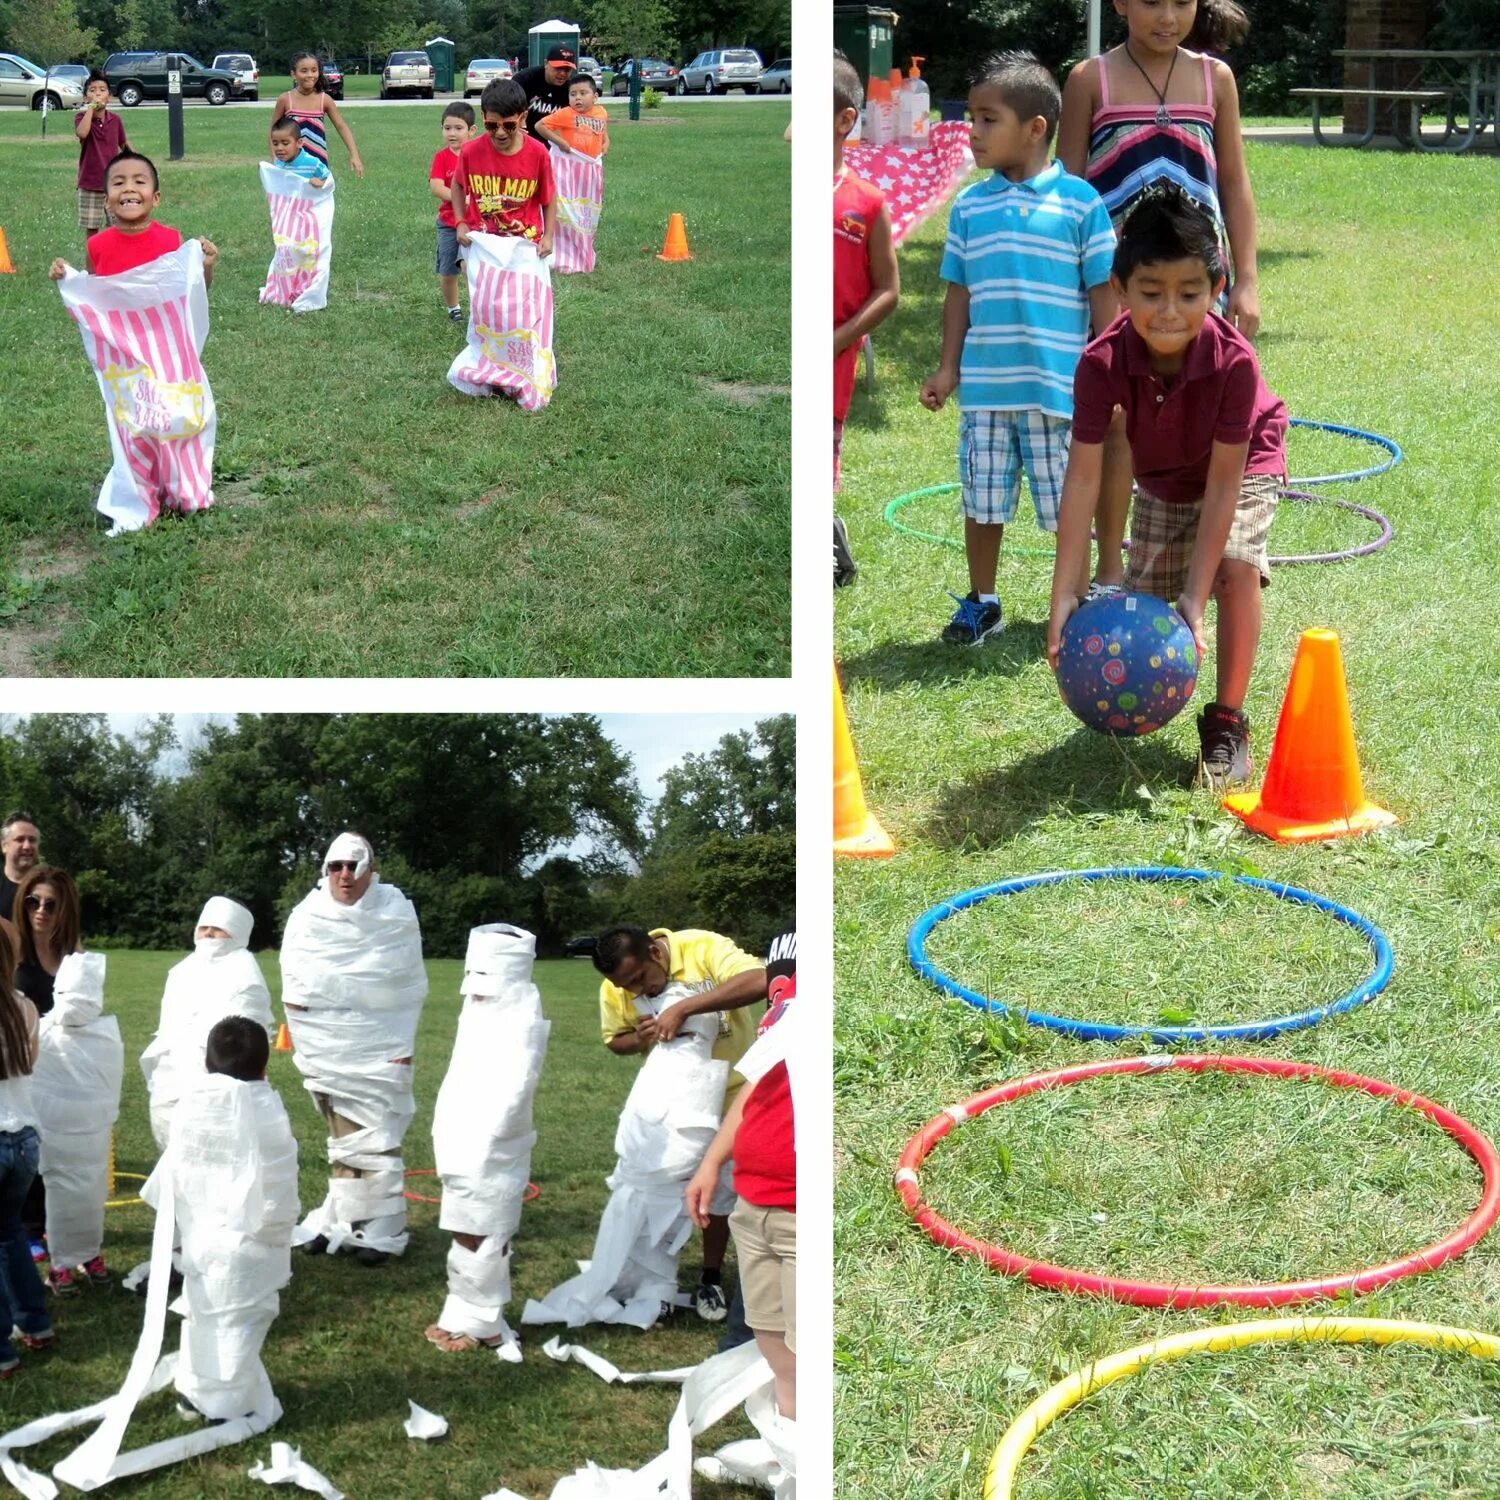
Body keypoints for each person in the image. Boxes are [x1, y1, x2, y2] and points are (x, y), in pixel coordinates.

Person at [1046, 186, 1287, 789]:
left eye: (1190, 294)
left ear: (1217, 288)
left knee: (1235, 566)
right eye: (1151, 293)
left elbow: (1226, 483)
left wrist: (1196, 602)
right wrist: (1063, 595)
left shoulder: (1234, 364)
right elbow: (1081, 479)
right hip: (1163, 479)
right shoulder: (1100, 364)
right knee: (1144, 611)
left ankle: (1227, 722)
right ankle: (1134, 707)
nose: (1170, 311)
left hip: (1243, 463)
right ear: (1120, 290)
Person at [1056, 0, 1257, 593]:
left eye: (1180, 2)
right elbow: (1066, 190)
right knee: (1116, 421)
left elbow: (1235, 184)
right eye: (1150, 2)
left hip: (1194, 286)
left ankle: (1199, 552)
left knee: (1193, 412)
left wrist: (1245, 277)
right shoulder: (1089, 80)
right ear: (1119, 3)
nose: (1167, 16)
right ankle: (1110, 568)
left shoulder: (1213, 78)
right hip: (1116, 286)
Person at [919, 52, 1117, 645]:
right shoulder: (970, 207)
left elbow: (1103, 299)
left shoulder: (1081, 203)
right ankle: (982, 601)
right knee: (982, 503)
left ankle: (1075, 603)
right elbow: (958, 294)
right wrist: (948, 367)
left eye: (987, 119)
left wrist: (1109, 377)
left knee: (1066, 511)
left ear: (1035, 129)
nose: (971, 132)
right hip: (985, 391)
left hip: (1058, 392)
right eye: (972, 119)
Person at [594, 924, 766, 1320]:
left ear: (655, 952)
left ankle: (711, 1276)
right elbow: (613, 1040)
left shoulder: (702, 947)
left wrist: (684, 1007)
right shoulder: (617, 986)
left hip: (736, 1090)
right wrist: (641, 1038)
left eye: (640, 980)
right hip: (673, 1102)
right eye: (628, 988)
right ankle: (650, 1278)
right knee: (656, 1184)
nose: (639, 993)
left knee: (722, 1193)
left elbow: (760, 979)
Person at [280, 833, 427, 1267]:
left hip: (380, 1048)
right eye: (335, 865)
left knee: (375, 1136)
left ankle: (383, 1226)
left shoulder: (395, 914)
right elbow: (295, 987)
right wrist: (310, 1044)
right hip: (325, 1049)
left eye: (353, 865)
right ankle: (349, 1216)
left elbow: (405, 987)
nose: (344, 874)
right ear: (325, 869)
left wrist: (401, 1044)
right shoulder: (307, 917)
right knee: (343, 1138)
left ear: (371, 870)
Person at [144, 1015, 298, 1423]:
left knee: (204, 1315)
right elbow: (280, 1187)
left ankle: (196, 1393)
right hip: (252, 1245)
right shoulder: (269, 1110)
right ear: (264, 1067)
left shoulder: (193, 1107)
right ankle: (224, 1404)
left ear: (208, 1064)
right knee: (238, 1325)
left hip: (202, 1241)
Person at [687, 928, 798, 1482]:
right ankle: (787, 1460)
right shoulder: (785, 1002)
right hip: (755, 1200)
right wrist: (712, 1162)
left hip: (799, 1210)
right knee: (775, 1347)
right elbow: (756, 1085)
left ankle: (804, 1470)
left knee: (805, 1352)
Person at [426, 924, 549, 1355]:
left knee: (486, 1225)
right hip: (460, 1127)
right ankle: (463, 1306)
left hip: (493, 1139)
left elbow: (518, 1084)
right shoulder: (477, 1008)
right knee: (463, 1222)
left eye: (486, 978)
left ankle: (486, 1323)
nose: (475, 989)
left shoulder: (520, 1011)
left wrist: (488, 1140)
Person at [24, 873, 121, 1294]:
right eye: (34, 902)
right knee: (48, 1176)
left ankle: (85, 1251)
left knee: (87, 1178)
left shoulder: (75, 956)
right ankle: (53, 1251)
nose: (42, 911)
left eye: (50, 904)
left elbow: (86, 1013)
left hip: (80, 1102)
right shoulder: (14, 954)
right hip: (31, 1084)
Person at [832, 51, 898, 589]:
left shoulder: (867, 202)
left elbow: (889, 291)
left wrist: (840, 338)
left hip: (832, 364)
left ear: (843, 120)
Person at [140, 897, 275, 1152]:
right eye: (204, 927)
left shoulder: (246, 978)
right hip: (170, 1080)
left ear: (236, 932)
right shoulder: (182, 970)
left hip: (217, 1085)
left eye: (218, 928)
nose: (209, 933)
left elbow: (246, 1050)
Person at [0, 921, 55, 1378]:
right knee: (11, 1233)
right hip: (25, 1141)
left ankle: (2, 1348)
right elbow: (29, 1062)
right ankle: (35, 1323)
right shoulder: (25, 1006)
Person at [47, 151, 218, 285]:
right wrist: (65, 275)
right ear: (106, 201)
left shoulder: (172, 241)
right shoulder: (96, 246)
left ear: (155, 198)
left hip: (161, 329)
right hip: (116, 329)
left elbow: (192, 291)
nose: (129, 188)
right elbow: (91, 295)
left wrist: (207, 265)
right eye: (119, 183)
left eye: (139, 182)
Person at [452, 78, 557, 257]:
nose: (500, 132)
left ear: (523, 118)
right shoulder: (470, 151)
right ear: (483, 116)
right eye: (492, 125)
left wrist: (548, 236)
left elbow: (549, 197)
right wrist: (460, 221)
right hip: (483, 243)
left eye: (509, 125)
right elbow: (458, 184)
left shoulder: (538, 153)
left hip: (525, 244)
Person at [270, 53, 364, 178]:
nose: (310, 75)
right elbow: (273, 131)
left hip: (318, 163)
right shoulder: (285, 99)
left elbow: (342, 127)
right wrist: (275, 160)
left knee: (319, 195)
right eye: (304, 71)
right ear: (293, 74)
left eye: (314, 70)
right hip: (290, 165)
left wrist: (354, 155)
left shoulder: (325, 100)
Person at [430, 100, 476, 322]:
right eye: (447, 128)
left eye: (459, 128)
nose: (452, 133)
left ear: (472, 130)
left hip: (475, 224)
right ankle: (453, 308)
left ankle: (479, 305)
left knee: (471, 268)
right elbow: (437, 187)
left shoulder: (478, 155)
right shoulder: (441, 157)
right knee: (448, 270)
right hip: (448, 223)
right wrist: (461, 198)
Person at [73, 71, 129, 250]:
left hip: (113, 185)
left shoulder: (115, 120)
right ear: (85, 97)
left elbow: (124, 144)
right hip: (90, 184)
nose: (97, 93)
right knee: (92, 228)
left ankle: (117, 259)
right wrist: (90, 109)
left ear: (109, 97)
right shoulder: (82, 118)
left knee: (119, 226)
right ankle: (93, 265)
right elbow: (82, 133)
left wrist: (140, 162)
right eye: (92, 90)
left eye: (102, 90)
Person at [537, 72, 609, 158]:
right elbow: (539, 126)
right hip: (571, 162)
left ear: (595, 97)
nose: (577, 97)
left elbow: (602, 130)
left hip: (592, 164)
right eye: (573, 94)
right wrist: (560, 142)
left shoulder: (601, 112)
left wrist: (606, 142)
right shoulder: (566, 113)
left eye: (583, 93)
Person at [513, 45, 577, 140]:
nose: (563, 73)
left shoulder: (571, 89)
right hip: (524, 139)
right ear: (546, 63)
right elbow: (506, 108)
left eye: (567, 70)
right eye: (558, 68)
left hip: (553, 143)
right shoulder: (524, 80)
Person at [268, 114, 331, 187]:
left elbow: (330, 181)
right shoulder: (278, 164)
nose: (279, 148)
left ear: (299, 143)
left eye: (285, 143)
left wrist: (321, 183)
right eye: (275, 144)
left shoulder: (313, 163)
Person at [0, 813, 40, 925]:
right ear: (4, 846)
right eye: (20, 839)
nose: (27, 846)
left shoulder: (51, 888)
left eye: (32, 840)